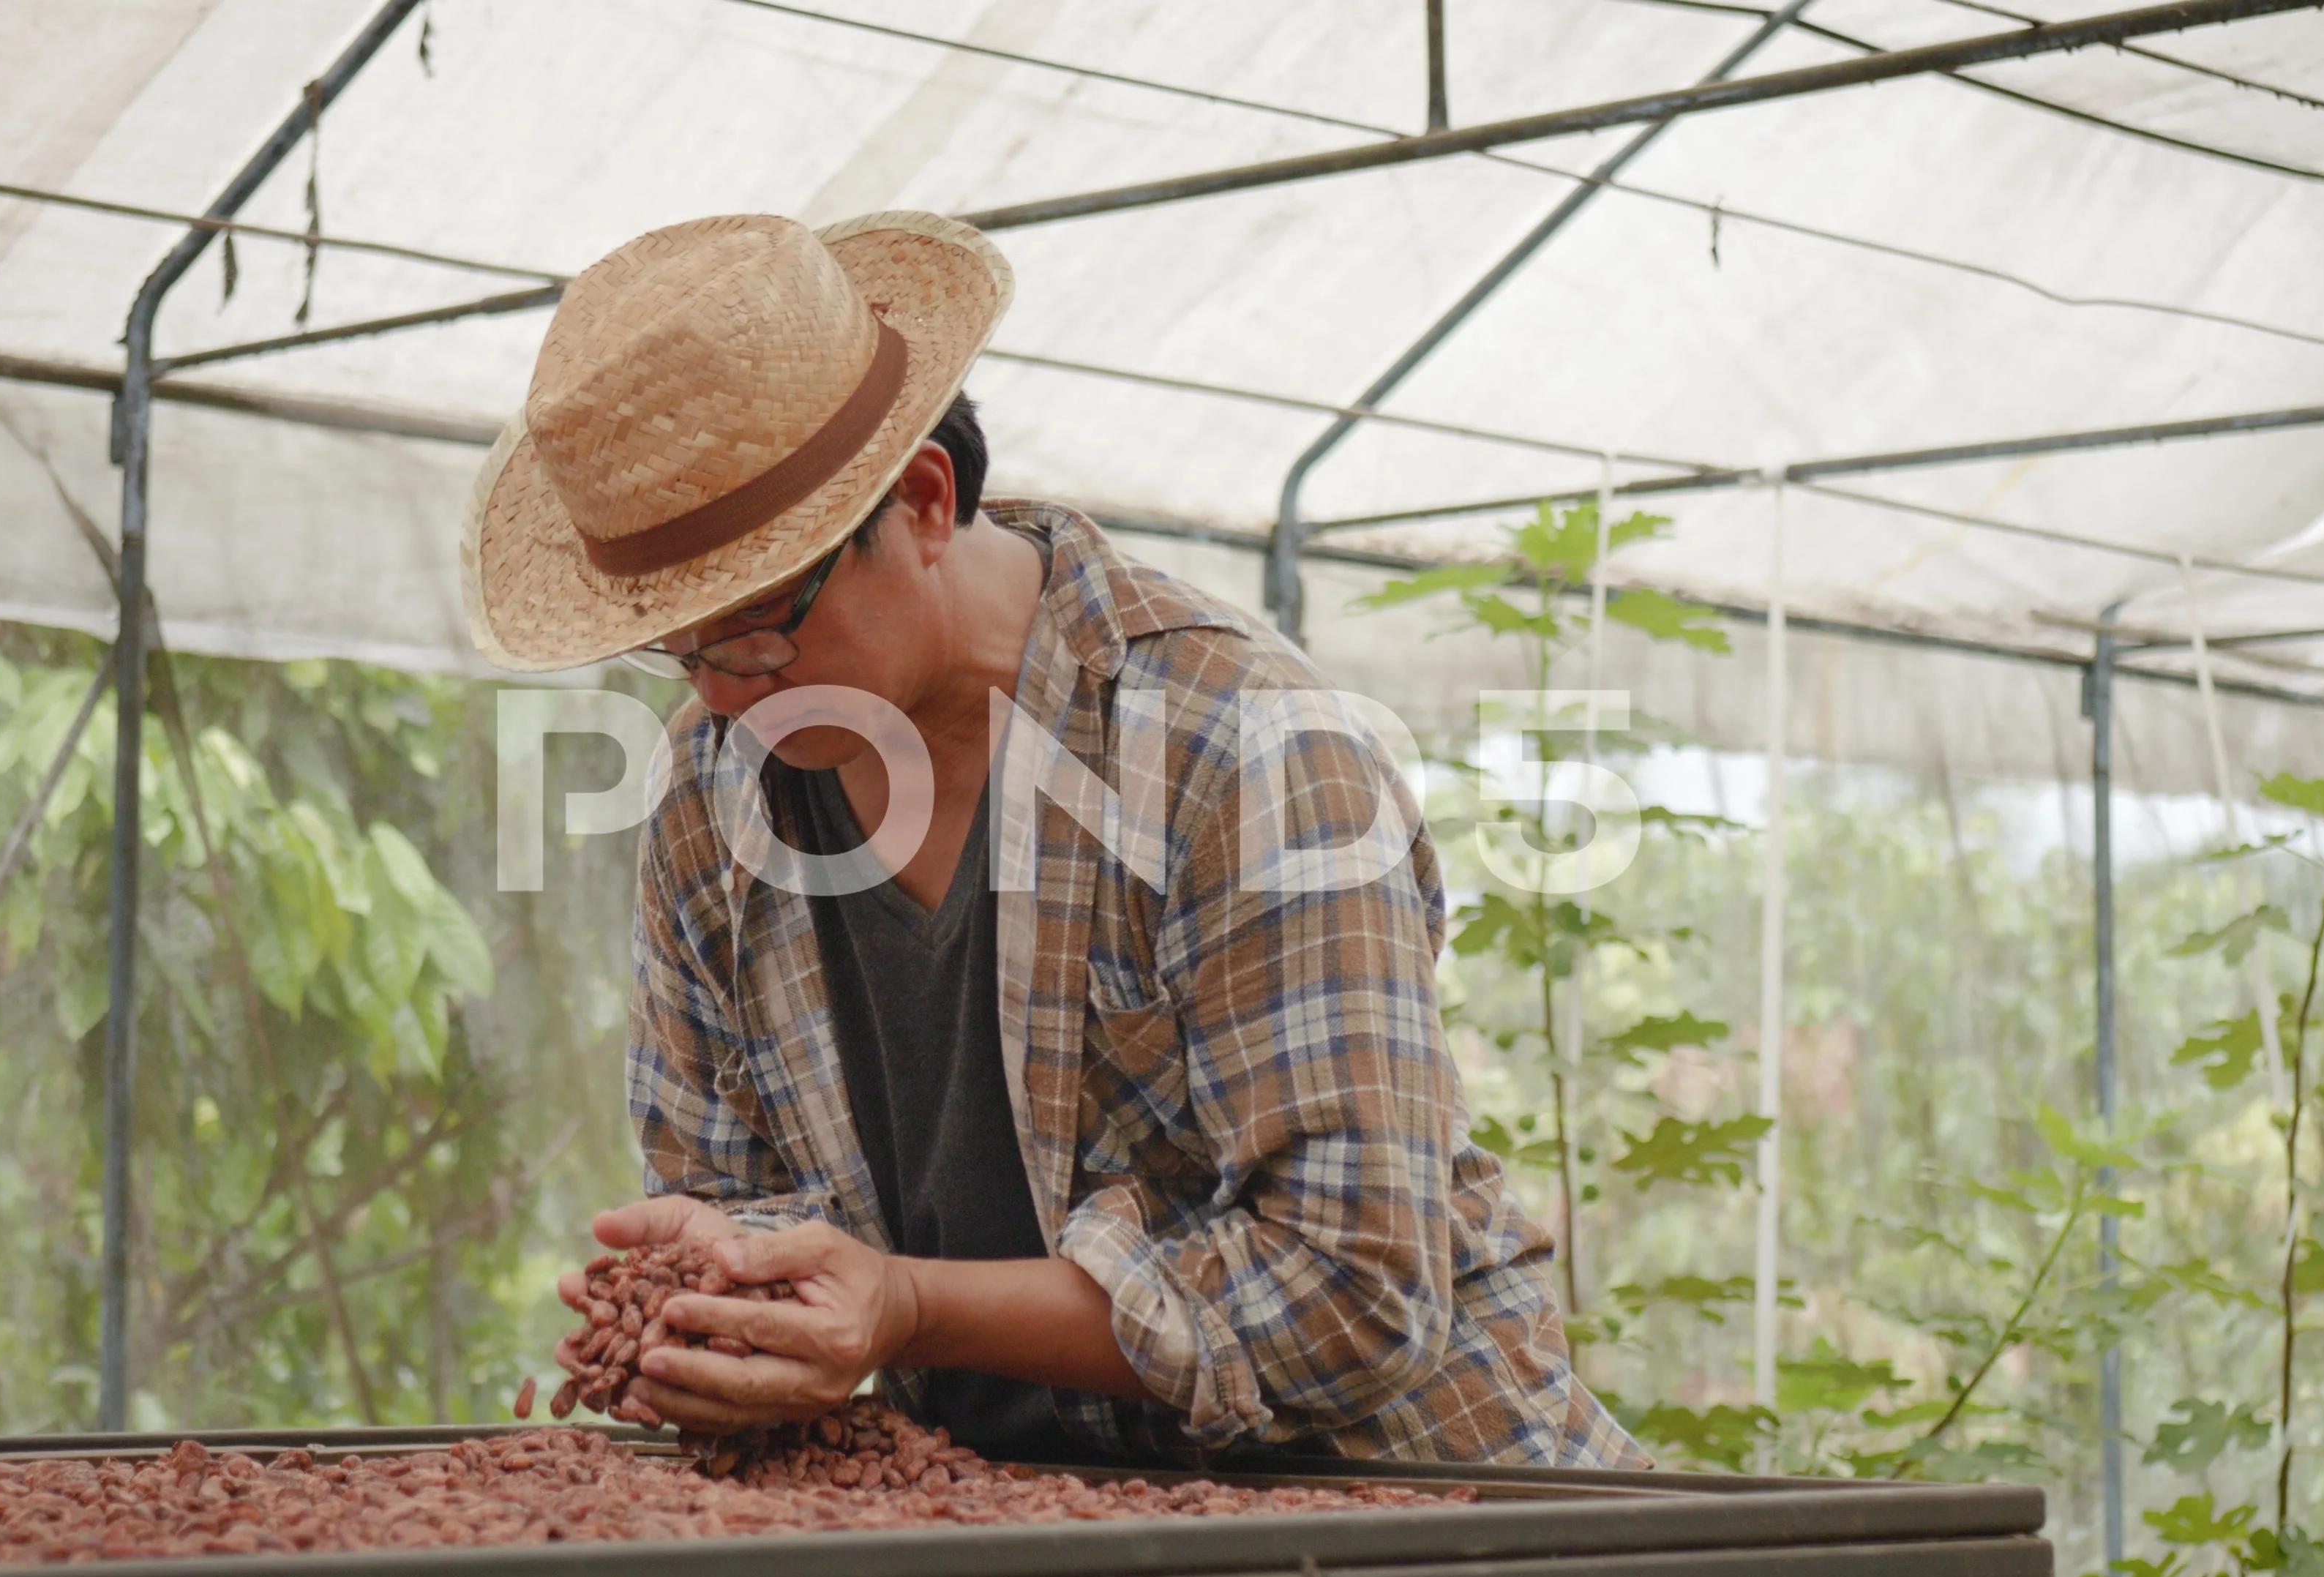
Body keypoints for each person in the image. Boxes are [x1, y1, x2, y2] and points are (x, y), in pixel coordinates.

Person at [463, 209, 1645, 1469]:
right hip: (1008, 1502)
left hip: (1409, 1503)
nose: (721, 696)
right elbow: (724, 1192)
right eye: (680, 650)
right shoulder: (712, 791)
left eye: (756, 632)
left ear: (922, 503)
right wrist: (719, 1307)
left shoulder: (1236, 748)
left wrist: (910, 1304)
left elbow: (1354, 1289)